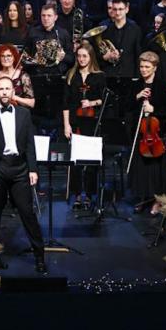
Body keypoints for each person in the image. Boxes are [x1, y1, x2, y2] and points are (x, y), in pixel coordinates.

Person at [0, 76, 47, 273]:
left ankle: (39, 256)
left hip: (19, 169)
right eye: (1, 89)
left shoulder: (24, 114)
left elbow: (29, 145)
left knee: (27, 213)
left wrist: (33, 169)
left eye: (8, 88)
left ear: (13, 91)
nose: (5, 92)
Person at [62, 43, 106, 209]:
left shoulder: (99, 76)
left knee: (91, 160)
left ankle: (89, 194)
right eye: (79, 56)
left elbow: (104, 99)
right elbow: (65, 103)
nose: (81, 59)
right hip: (75, 122)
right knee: (76, 160)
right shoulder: (71, 75)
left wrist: (91, 102)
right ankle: (77, 194)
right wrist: (66, 125)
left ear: (91, 57)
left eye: (84, 56)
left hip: (93, 122)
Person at [129, 52, 166, 214]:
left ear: (154, 68)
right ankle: (143, 198)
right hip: (140, 134)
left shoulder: (161, 86)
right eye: (141, 66)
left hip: (155, 136)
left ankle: (157, 201)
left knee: (155, 170)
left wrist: (153, 109)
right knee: (141, 169)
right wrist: (137, 96)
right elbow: (126, 107)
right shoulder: (136, 84)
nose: (143, 70)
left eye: (147, 67)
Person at [98, 0, 142, 79]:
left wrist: (137, 77)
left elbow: (138, 55)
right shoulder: (105, 30)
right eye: (115, 9)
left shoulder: (135, 29)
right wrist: (106, 57)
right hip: (109, 75)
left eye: (120, 9)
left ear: (127, 9)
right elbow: (98, 55)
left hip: (128, 75)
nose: (117, 13)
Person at [23, 4, 73, 76]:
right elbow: (25, 55)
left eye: (49, 15)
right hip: (37, 74)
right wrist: (33, 60)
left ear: (55, 17)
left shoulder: (63, 33)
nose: (46, 18)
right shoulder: (32, 32)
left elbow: (72, 58)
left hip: (58, 75)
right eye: (43, 15)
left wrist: (63, 57)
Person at [0, 44, 34, 110]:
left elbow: (31, 103)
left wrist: (14, 97)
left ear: (14, 57)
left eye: (9, 56)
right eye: (2, 56)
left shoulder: (23, 76)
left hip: (18, 114)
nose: (6, 59)